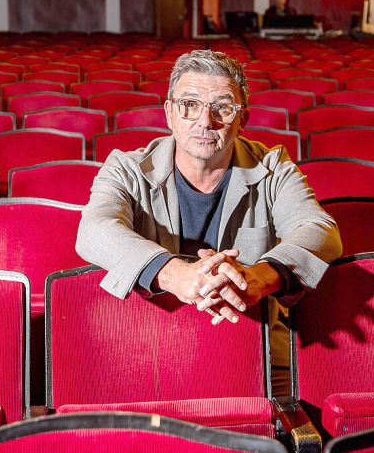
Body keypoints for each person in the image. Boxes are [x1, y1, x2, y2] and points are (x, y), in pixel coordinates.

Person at [75, 49, 341, 329]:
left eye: (223, 108)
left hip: (249, 332)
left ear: (242, 120)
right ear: (169, 113)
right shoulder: (126, 168)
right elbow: (94, 230)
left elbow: (320, 229)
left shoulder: (274, 167)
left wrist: (259, 277)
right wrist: (175, 273)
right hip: (149, 335)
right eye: (190, 104)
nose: (205, 121)